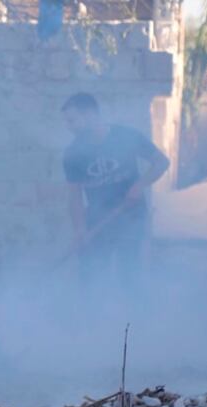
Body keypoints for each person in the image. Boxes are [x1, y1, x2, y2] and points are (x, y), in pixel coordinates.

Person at [62, 93, 170, 286]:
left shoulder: (126, 136)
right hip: (98, 220)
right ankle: (95, 316)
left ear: (90, 114)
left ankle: (133, 314)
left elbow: (161, 162)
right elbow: (75, 196)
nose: (69, 127)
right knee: (91, 278)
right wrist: (79, 229)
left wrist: (139, 185)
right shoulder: (72, 154)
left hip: (131, 216)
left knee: (129, 275)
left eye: (72, 121)